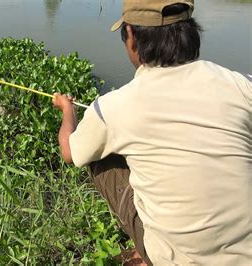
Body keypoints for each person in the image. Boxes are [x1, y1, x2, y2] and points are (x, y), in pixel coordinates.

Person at [52, 0, 251, 265]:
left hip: (180, 260)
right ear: (191, 31)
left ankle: (150, 251)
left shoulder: (112, 108)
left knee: (97, 155)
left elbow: (68, 151)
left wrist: (68, 110)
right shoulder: (241, 84)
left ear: (131, 37)